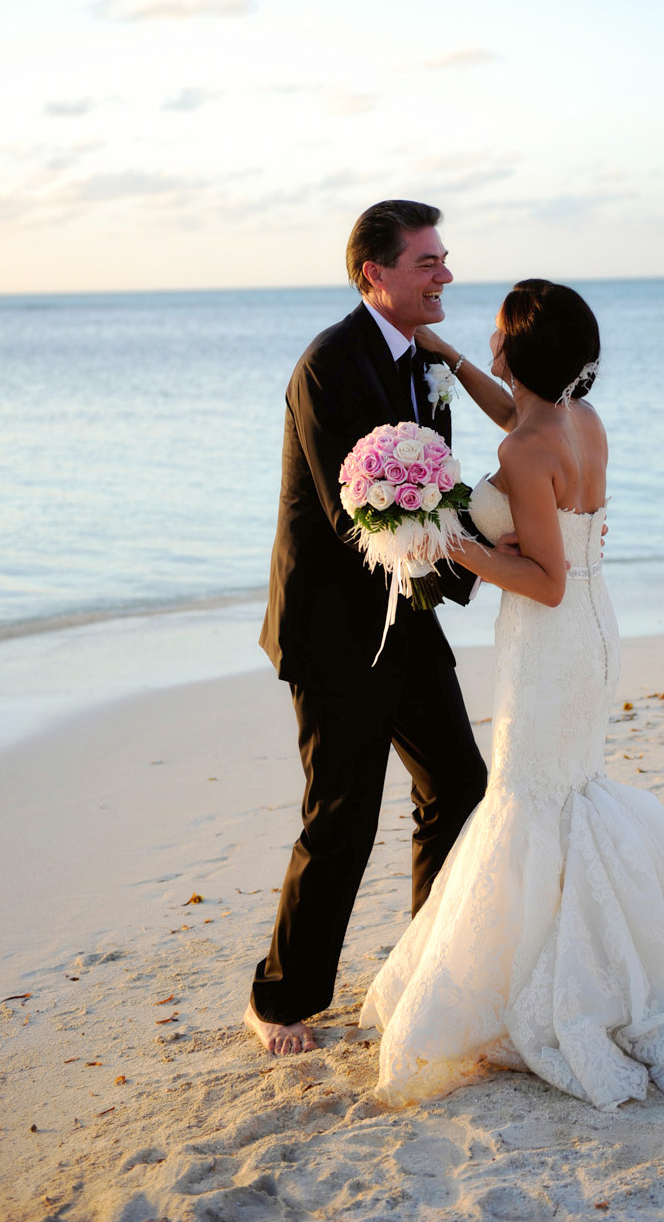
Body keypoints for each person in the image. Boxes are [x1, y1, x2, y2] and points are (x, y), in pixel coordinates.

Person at [360, 279, 664, 1109]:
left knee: (529, 797)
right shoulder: (577, 422)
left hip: (551, 641)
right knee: (569, 793)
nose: (484, 345)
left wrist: (454, 541)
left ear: (521, 352)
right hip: (598, 632)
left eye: (492, 338)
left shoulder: (527, 451)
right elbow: (516, 419)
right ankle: (588, 951)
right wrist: (447, 358)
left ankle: (549, 984)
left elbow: (544, 582)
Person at [244, 201, 488, 1057]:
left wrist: (513, 542)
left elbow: (439, 488)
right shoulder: (328, 366)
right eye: (427, 262)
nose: (445, 274)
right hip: (335, 626)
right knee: (342, 814)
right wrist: (499, 554)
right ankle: (281, 1000)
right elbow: (364, 520)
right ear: (373, 273)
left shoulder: (425, 362)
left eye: (443, 258)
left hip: (407, 614)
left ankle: (430, 964)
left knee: (459, 783)